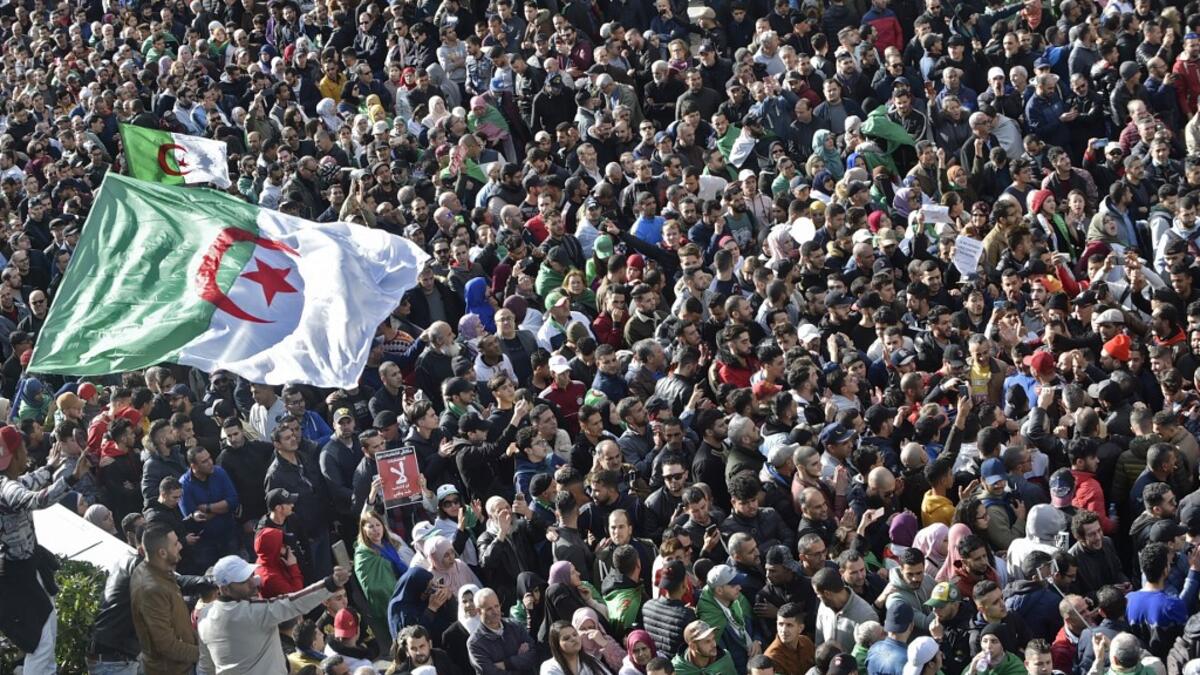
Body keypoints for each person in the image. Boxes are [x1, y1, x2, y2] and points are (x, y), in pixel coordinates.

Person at [0, 425, 90, 671]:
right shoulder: (7, 488)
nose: (26, 452)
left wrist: (50, 467)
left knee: (47, 629)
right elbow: (36, 499)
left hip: (27, 568)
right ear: (15, 454)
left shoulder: (9, 481)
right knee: (40, 644)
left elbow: (29, 481)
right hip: (17, 577)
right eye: (22, 448)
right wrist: (72, 478)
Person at [196, 556, 352, 674]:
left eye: (250, 576)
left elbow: (205, 667)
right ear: (225, 589)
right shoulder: (252, 612)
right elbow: (294, 602)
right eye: (243, 581)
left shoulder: (204, 615)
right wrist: (331, 583)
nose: (253, 582)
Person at [130, 524, 199, 675]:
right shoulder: (151, 590)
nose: (180, 546)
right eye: (175, 544)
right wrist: (204, 654)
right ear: (162, 553)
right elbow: (166, 645)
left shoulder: (156, 570)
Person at [467, 586, 541, 674]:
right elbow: (490, 672)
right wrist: (520, 661)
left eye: (497, 606)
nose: (495, 611)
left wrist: (506, 664)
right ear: (478, 611)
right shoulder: (475, 643)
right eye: (489, 609)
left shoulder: (515, 625)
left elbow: (533, 654)